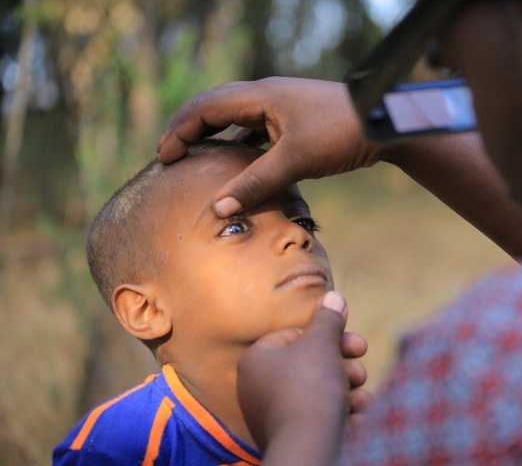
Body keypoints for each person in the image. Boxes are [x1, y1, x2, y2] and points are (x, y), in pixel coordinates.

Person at [156, 0, 522, 464]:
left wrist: (303, 432)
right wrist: (384, 121)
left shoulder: (494, 375)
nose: (297, 237)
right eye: (233, 227)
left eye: (460, 81)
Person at [52, 139, 368, 465]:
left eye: (303, 221)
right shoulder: (119, 446)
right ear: (148, 310)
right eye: (235, 227)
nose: (296, 235)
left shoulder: (348, 425)